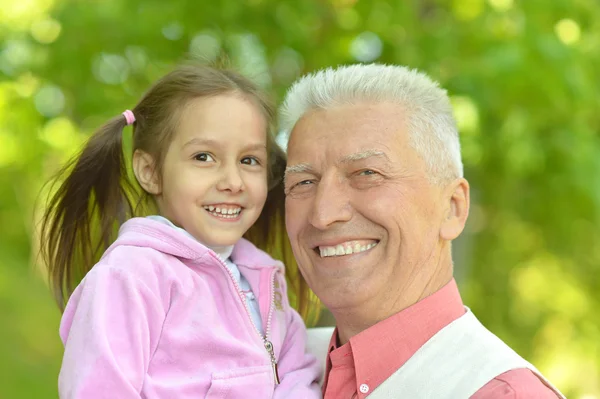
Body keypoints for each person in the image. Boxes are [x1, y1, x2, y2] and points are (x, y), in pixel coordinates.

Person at [280, 63, 565, 398]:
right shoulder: (273, 364)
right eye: (303, 182)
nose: (323, 214)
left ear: (452, 208)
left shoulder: (501, 393)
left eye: (367, 173)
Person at [39, 64, 321, 398]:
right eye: (204, 157)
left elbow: (298, 375)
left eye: (249, 160)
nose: (232, 182)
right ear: (150, 171)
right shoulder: (131, 278)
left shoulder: (263, 280)